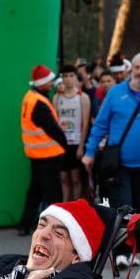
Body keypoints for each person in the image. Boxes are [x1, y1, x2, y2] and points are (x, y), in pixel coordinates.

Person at [81, 52, 140, 217]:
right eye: (137, 67)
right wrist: (89, 152)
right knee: (123, 211)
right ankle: (120, 234)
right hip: (118, 165)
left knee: (139, 213)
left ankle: (135, 234)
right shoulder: (115, 93)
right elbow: (100, 125)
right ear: (131, 70)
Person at [18, 65, 69, 234]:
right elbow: (53, 130)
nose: (51, 84)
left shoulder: (30, 97)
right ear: (41, 83)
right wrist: (64, 144)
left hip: (36, 154)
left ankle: (25, 224)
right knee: (54, 194)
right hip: (49, 155)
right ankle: (57, 228)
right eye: (49, 81)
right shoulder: (40, 102)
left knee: (35, 191)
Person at [55, 64, 91, 201]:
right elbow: (55, 122)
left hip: (76, 143)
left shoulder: (83, 97)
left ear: (76, 77)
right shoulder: (57, 98)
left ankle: (75, 206)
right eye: (65, 76)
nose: (68, 79)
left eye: (71, 76)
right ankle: (65, 205)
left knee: (76, 178)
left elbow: (85, 123)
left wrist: (81, 146)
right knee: (63, 178)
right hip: (61, 144)